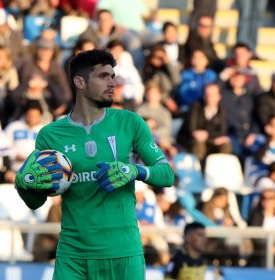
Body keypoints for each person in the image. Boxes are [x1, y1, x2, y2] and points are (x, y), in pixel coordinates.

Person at [14, 49, 175, 279]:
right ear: (80, 82)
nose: (112, 82)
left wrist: (135, 170)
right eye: (103, 76)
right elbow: (36, 201)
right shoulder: (51, 134)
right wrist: (24, 184)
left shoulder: (130, 122)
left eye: (112, 76)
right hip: (74, 256)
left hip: (123, 254)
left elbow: (166, 175)